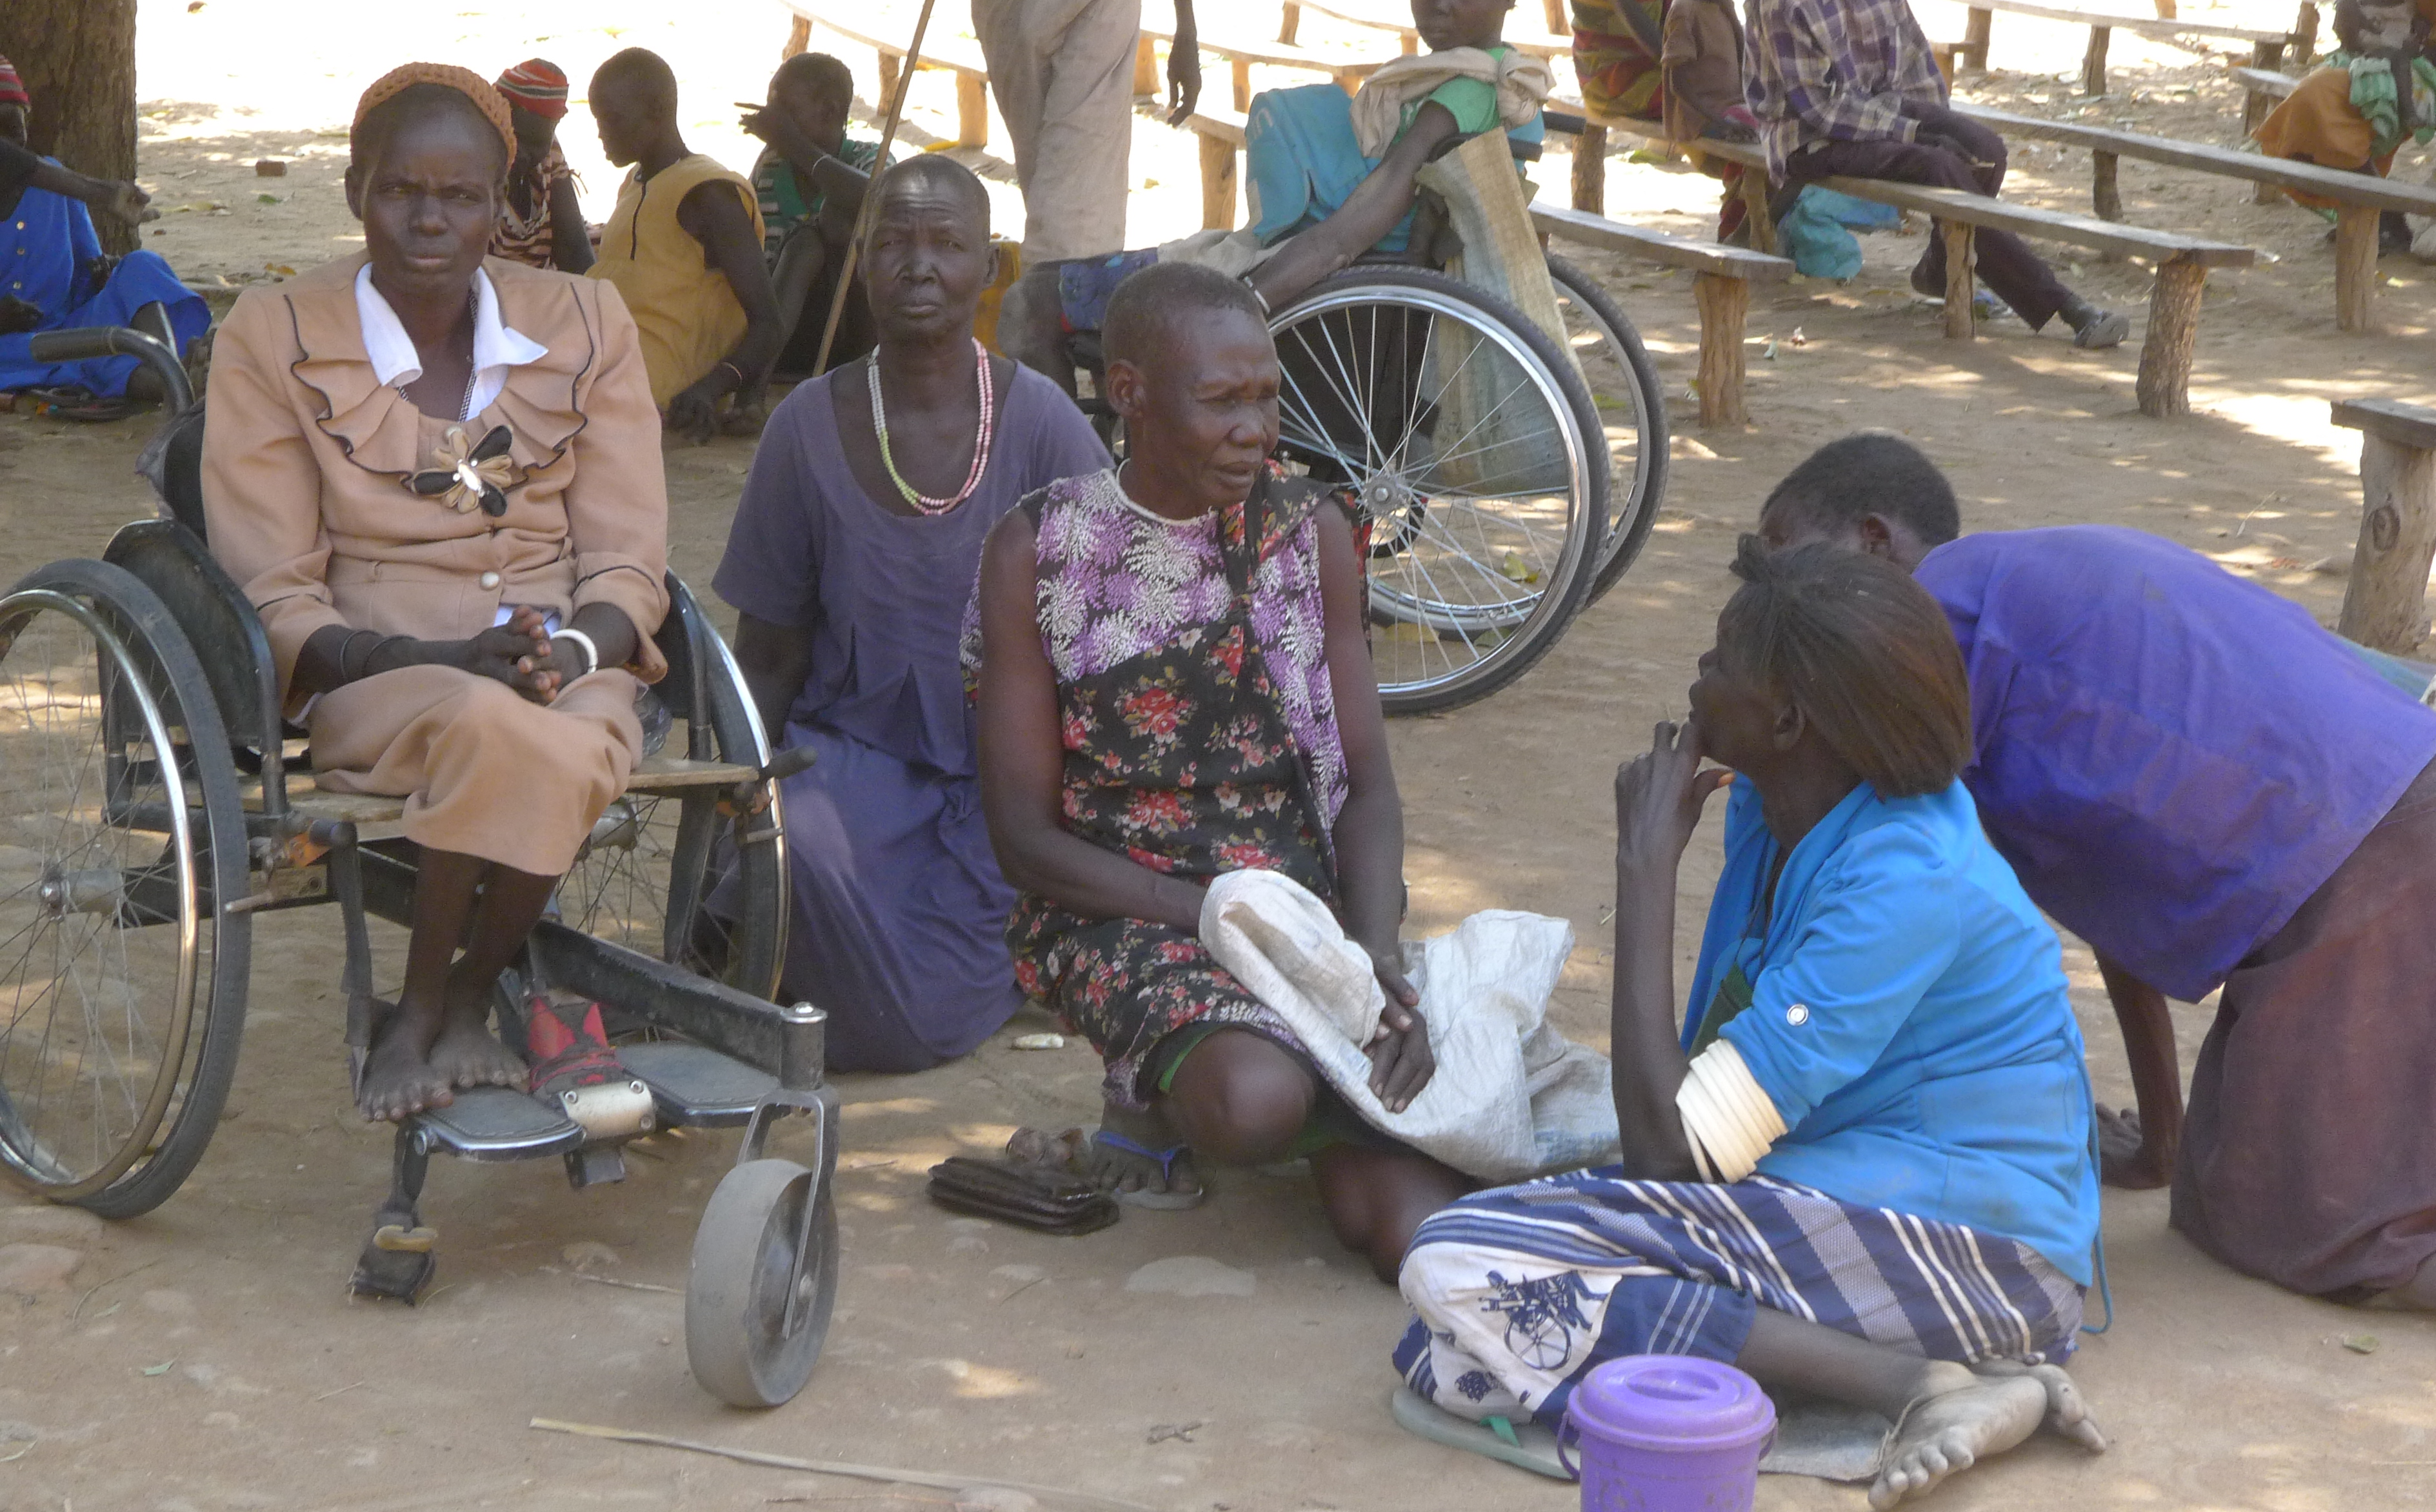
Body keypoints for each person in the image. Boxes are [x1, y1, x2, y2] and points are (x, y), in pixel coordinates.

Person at [1397, 539, 2107, 1510]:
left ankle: (1925, 1386)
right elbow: (1696, 1111)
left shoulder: (1905, 881)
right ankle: (1836, 1371)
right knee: (1461, 1319)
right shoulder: (1780, 812)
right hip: (1838, 1193)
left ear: (1786, 720)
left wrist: (1644, 869)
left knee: (1459, 1262)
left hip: (1985, 1261)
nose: (1700, 670)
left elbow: (1670, 1155)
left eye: (1723, 657)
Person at [1756, 432, 2436, 1309]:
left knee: (2337, 1238)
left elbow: (1888, 918)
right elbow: (2112, 899)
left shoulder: (1938, 634)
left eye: (1782, 551)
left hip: (2368, 843)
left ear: (1874, 542)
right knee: (2223, 1195)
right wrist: (2162, 1142)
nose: (1768, 592)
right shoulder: (2002, 602)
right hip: (2363, 819)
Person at [970, 261, 1467, 1278]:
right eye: (1222, 401)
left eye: (1266, 398)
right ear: (1131, 394)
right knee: (1254, 1104)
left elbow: (1366, 786)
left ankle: (1323, 1092)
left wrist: (1373, 956)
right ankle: (1167, 1087)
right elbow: (1024, 841)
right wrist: (1212, 915)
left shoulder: (1311, 534)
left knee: (1414, 1200)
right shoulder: (1041, 550)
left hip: (1298, 903)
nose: (1255, 431)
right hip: (1124, 907)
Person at [199, 63, 668, 1122]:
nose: (428, 220)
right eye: (400, 191)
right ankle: (429, 1008)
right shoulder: (276, 333)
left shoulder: (586, 322)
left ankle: (451, 999)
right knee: (484, 720)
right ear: (354, 191)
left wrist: (574, 653)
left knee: (563, 732)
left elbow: (628, 555)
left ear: (501, 208)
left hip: (564, 656)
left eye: (459, 196)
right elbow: (274, 592)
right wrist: (444, 664)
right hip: (376, 671)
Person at [715, 155, 1109, 1071]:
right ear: (860, 262)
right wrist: (727, 809)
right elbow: (767, 653)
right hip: (851, 765)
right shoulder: (804, 426)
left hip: (1006, 785)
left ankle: (924, 981)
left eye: (947, 244)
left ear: (990, 266)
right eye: (892, 242)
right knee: (795, 844)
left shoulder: (1041, 423)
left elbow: (1117, 627)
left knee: (910, 1016)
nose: (919, 265)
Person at [1744, 0, 2130, 348]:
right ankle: (2066, 306)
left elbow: (1915, 63)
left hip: (1876, 112)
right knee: (1940, 165)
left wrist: (1939, 125)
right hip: (1808, 138)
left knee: (1985, 150)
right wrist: (1917, 136)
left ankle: (1938, 268)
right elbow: (1820, 108)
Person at [932, 0, 1217, 389]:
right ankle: (1087, 402)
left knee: (1071, 226)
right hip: (1011, 2)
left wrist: (1186, 29)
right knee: (1051, 199)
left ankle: (1062, 402)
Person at [1241, 0, 1550, 312]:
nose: (1439, 3)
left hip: (1373, 238)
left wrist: (1255, 296)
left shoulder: (1471, 90)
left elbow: (1363, 217)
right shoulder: (1474, 71)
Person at [584, 47, 781, 441]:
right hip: (605, 373)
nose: (602, 133)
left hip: (659, 395)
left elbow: (768, 323)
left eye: (613, 119)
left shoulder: (709, 194)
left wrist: (709, 389)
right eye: (598, 120)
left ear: (657, 112)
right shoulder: (635, 184)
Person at [0, 55, 206, 402]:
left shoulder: (56, 183)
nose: (7, 150)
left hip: (73, 331)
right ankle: (172, 381)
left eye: (11, 129)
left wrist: (103, 274)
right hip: (11, 352)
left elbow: (87, 278)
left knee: (142, 266)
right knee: (93, 357)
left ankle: (168, 367)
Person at [2261, 0, 2431, 254]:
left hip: (2403, 73)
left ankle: (2378, 218)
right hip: (2359, 70)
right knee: (2324, 128)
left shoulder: (2408, 1)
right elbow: (2351, 34)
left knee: (2332, 125)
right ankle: (2372, 217)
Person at [738, 51, 881, 377]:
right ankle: (759, 370)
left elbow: (880, 199)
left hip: (847, 330)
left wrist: (792, 143)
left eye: (785, 111)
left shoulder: (869, 158)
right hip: (785, 329)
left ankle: (756, 381)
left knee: (819, 233)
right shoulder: (771, 166)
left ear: (830, 111)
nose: (773, 120)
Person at [1661, 0, 1761, 242]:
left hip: (1732, 105)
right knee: (1764, 142)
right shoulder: (1685, 8)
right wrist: (1719, 121)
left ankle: (1753, 226)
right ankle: (1734, 229)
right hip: (1701, 116)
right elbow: (1678, 82)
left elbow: (1743, 54)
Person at [487, 58, 593, 274]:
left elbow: (574, 248)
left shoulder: (551, 157)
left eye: (537, 143)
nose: (522, 153)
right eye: (515, 137)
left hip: (540, 289)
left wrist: (590, 292)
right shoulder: (477, 163)